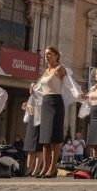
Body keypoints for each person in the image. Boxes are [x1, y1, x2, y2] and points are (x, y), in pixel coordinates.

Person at [31, 46, 83, 178]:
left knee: (54, 138)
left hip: (55, 103)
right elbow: (40, 88)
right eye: (45, 54)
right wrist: (33, 89)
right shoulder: (46, 71)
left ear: (56, 56)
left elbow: (69, 82)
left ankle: (53, 167)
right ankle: (45, 167)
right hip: (46, 103)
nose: (47, 56)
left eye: (49, 54)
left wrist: (79, 93)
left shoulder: (59, 68)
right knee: (45, 138)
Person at [21, 92, 43, 177]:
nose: (31, 89)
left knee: (38, 147)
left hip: (39, 121)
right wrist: (26, 106)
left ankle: (37, 168)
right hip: (31, 121)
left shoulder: (41, 97)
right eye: (30, 87)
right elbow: (30, 110)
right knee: (30, 147)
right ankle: (29, 168)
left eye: (34, 87)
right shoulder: (31, 98)